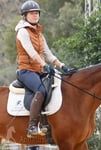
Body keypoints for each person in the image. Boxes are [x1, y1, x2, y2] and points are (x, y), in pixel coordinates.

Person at [15, 0, 69, 138]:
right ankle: (32, 126)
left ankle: (45, 123)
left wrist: (61, 65)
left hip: (39, 70)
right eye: (32, 13)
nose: (35, 16)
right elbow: (32, 53)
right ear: (25, 16)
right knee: (41, 90)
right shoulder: (22, 32)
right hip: (26, 71)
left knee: (52, 88)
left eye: (36, 13)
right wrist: (45, 65)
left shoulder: (39, 34)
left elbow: (48, 53)